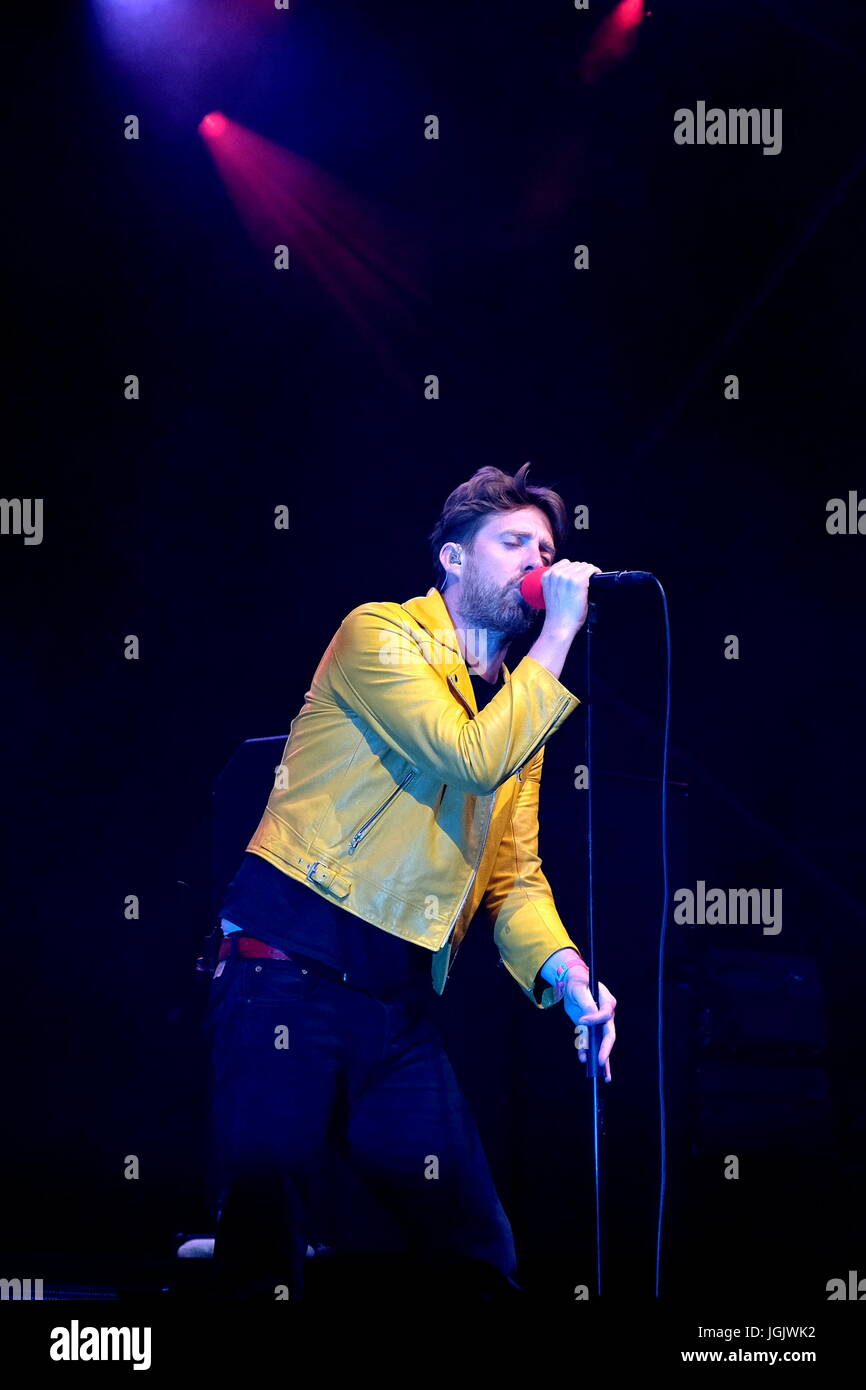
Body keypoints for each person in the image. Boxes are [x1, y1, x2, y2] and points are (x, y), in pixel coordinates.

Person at [205, 462, 617, 1301]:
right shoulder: (380, 635)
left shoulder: (518, 702)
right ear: (454, 559)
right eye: (513, 543)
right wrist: (560, 639)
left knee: (477, 1251)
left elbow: (513, 877)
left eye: (547, 547)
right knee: (264, 1239)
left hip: (393, 1013)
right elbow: (465, 760)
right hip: (287, 974)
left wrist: (566, 972)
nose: (538, 561)